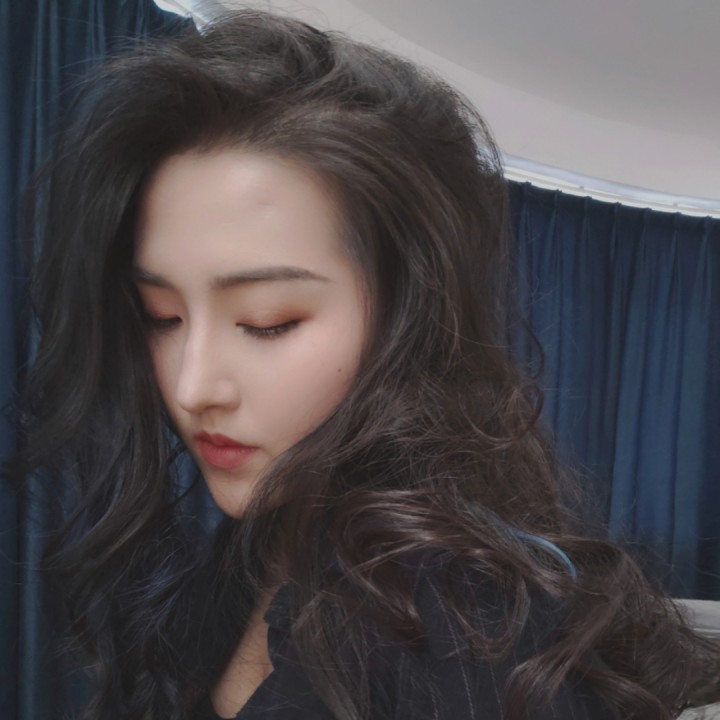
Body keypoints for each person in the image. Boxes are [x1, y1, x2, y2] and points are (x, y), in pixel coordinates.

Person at [11, 9, 719, 720]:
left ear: (407, 320)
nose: (192, 387)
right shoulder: (255, 546)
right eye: (161, 316)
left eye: (267, 321)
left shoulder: (463, 632)